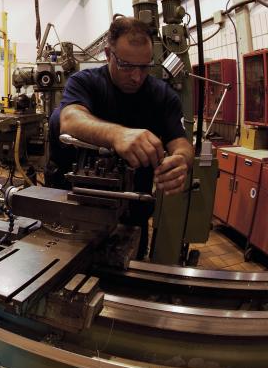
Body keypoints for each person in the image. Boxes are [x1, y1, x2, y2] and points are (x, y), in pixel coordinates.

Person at [46, 17, 193, 259]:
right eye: (126, 65)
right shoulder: (85, 82)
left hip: (132, 208)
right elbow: (70, 119)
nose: (136, 76)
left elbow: (181, 143)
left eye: (144, 67)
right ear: (108, 54)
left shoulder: (161, 96)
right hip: (75, 204)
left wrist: (181, 161)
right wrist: (117, 134)